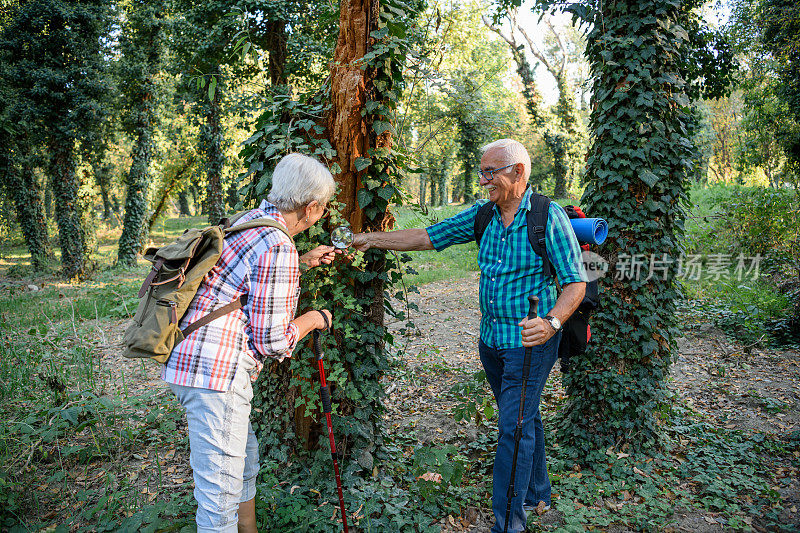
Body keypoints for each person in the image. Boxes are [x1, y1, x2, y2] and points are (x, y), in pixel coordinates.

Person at [352, 139, 587, 532]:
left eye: (490, 173)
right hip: (491, 341)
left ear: (518, 172)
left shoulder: (550, 218)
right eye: (481, 173)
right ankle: (537, 491)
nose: (483, 181)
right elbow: (428, 236)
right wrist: (367, 239)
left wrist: (550, 323)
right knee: (522, 419)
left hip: (529, 344)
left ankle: (509, 525)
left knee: (514, 427)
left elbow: (575, 283)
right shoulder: (485, 216)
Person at [162, 153, 338, 533]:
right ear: (311, 207)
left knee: (244, 461)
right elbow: (273, 342)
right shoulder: (278, 246)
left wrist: (301, 262)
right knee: (218, 500)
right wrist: (314, 318)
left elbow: (240, 281)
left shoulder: (249, 222)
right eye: (323, 208)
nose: (321, 215)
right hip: (216, 376)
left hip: (190, 358)